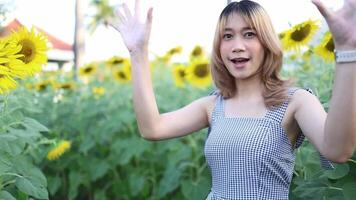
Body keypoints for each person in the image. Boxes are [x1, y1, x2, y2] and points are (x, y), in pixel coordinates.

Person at [109, 0, 356, 199]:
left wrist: (346, 52)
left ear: (267, 42)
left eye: (249, 34)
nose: (237, 45)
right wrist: (138, 53)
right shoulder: (213, 105)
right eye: (228, 36)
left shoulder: (295, 101)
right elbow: (152, 128)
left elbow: (338, 151)